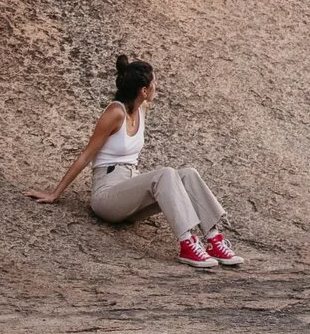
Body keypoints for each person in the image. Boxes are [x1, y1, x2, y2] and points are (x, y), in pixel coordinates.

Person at [26, 55, 244, 270]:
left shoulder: (141, 108)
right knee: (165, 173)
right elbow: (86, 155)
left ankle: (213, 238)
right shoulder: (114, 113)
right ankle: (187, 243)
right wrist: (55, 193)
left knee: (188, 173)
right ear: (144, 91)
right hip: (108, 197)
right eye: (154, 83)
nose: (157, 86)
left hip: (131, 193)